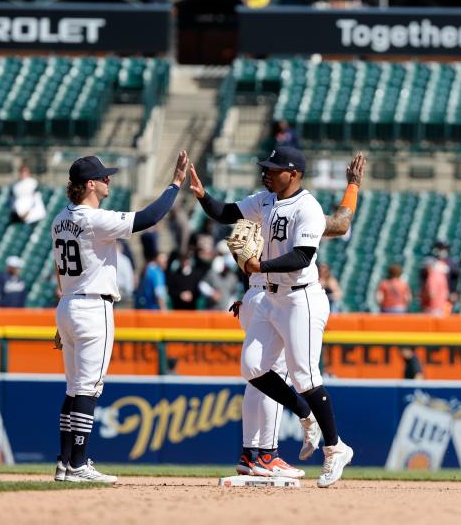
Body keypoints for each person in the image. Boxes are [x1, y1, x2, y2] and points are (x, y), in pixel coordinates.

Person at [191, 151, 364, 487]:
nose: (266, 174)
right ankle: (304, 414)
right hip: (270, 296)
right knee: (252, 366)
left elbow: (302, 257)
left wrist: (260, 266)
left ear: (294, 173)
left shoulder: (308, 208)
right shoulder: (265, 200)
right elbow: (227, 213)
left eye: (272, 169)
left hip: (302, 298)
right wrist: (202, 195)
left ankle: (335, 448)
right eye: (264, 169)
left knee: (305, 374)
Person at [52, 151, 189, 484]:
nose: (108, 179)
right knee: (88, 389)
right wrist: (174, 185)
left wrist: (62, 317)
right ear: (89, 185)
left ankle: (66, 462)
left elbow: (59, 269)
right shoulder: (93, 219)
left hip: (68, 302)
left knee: (74, 389)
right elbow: (148, 218)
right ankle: (79, 464)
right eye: (103, 177)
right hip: (93, 307)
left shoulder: (59, 218)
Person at [115, 241, 136, 307]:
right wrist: (129, 291)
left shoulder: (105, 259)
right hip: (122, 292)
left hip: (111, 291)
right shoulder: (125, 260)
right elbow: (128, 276)